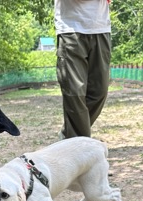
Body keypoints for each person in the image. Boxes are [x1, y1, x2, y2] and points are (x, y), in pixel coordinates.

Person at [55, 0, 112, 139]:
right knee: (74, 93)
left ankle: (69, 135)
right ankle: (78, 143)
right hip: (70, 29)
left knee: (99, 92)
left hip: (101, 28)